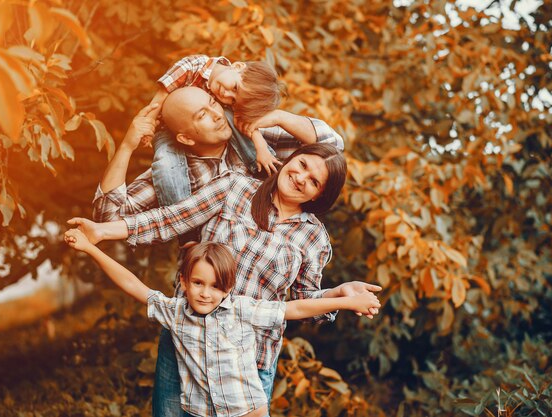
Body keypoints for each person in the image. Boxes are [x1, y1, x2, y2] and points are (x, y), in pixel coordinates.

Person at [71, 143, 383, 416]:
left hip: (250, 359)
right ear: (292, 159)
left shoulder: (313, 237)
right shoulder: (235, 188)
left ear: (320, 195)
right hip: (188, 342)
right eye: (302, 165)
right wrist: (102, 232)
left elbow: (302, 301)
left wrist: (340, 292)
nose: (301, 178)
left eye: (314, 181)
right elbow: (169, 219)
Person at [62, 237, 381, 417]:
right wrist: (92, 249)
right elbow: (131, 283)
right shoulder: (173, 313)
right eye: (198, 282)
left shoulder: (242, 310)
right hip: (199, 412)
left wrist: (345, 301)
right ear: (183, 282)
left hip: (246, 412)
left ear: (228, 288)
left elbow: (295, 307)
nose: (205, 292)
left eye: (215, 286)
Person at [93, 86, 345, 218]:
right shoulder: (172, 173)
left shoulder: (255, 137)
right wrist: (126, 146)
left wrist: (279, 117)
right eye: (201, 115)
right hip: (209, 286)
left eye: (212, 104)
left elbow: (331, 146)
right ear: (185, 138)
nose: (215, 115)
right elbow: (108, 216)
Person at [147, 54, 284, 178]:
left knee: (233, 117)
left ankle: (262, 168)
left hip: (202, 133)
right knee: (166, 163)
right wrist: (148, 124)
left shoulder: (223, 102)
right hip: (167, 130)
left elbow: (247, 122)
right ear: (237, 66)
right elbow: (160, 97)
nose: (227, 95)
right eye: (235, 88)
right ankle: (179, 204)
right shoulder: (192, 66)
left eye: (233, 100)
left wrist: (261, 148)